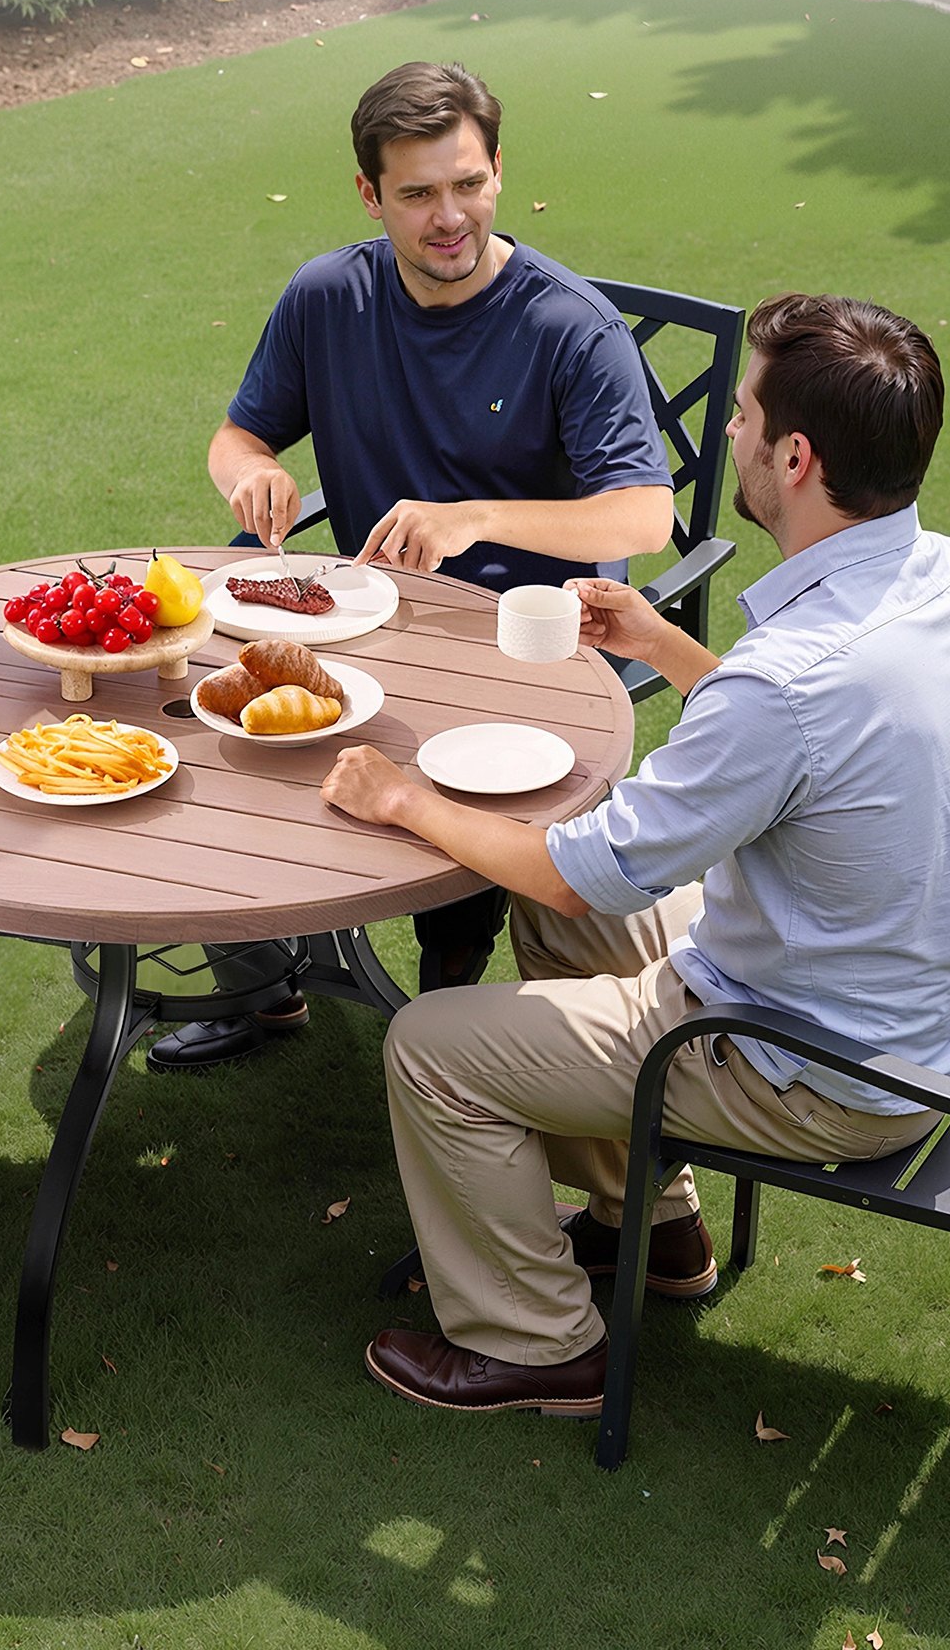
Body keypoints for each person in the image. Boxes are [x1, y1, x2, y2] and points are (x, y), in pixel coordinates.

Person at [319, 292, 950, 1416]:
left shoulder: (786, 682)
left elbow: (575, 871)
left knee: (430, 1047)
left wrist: (400, 796)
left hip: (822, 1068)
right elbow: (815, 751)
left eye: (742, 416)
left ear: (796, 457)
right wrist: (665, 644)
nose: (729, 433)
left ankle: (538, 1343)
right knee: (557, 910)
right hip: (919, 1008)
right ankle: (653, 1226)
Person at [148, 59, 674, 1069]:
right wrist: (253, 471)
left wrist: (471, 518)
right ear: (369, 193)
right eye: (419, 193)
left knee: (454, 785)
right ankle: (261, 985)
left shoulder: (571, 328)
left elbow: (645, 515)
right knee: (210, 719)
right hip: (367, 618)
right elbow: (237, 436)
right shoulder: (325, 297)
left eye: (469, 183)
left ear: (499, 170)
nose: (450, 217)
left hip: (525, 645)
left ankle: (445, 1028)